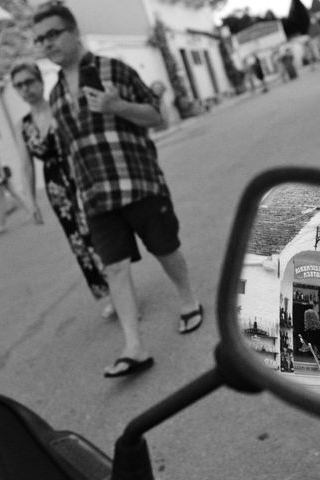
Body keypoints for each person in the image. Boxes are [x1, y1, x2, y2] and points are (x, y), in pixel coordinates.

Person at [32, 4, 202, 378]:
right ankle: (134, 347)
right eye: (40, 39)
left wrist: (117, 105)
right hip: (96, 198)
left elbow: (155, 115)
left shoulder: (114, 70)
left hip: (138, 182)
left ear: (74, 32)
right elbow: (72, 151)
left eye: (53, 34)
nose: (47, 43)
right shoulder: (56, 94)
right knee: (115, 268)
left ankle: (189, 300)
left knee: (164, 248)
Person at [10, 61, 116, 319]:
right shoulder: (22, 125)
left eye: (29, 82)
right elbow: (25, 165)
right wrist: (31, 201)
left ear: (40, 81)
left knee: (99, 234)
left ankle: (122, 289)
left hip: (79, 173)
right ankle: (110, 295)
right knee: (79, 242)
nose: (25, 89)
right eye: (19, 86)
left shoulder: (60, 108)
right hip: (56, 186)